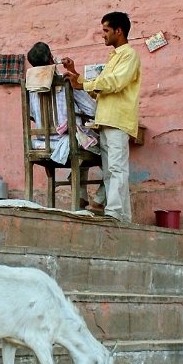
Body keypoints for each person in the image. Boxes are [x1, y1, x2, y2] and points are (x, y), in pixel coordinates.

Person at [62, 12, 141, 223]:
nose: (103, 35)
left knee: (116, 169)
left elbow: (115, 83)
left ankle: (116, 215)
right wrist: (76, 75)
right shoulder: (114, 57)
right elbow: (98, 89)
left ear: (119, 31)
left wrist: (84, 84)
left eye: (106, 30)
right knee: (110, 171)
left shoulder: (129, 55)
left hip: (118, 120)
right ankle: (117, 214)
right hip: (106, 121)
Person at [26, 42, 105, 212]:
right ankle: (98, 199)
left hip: (40, 143)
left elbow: (32, 115)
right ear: (50, 58)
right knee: (104, 149)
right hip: (67, 141)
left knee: (82, 140)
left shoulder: (30, 87)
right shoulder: (66, 82)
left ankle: (81, 196)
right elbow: (93, 110)